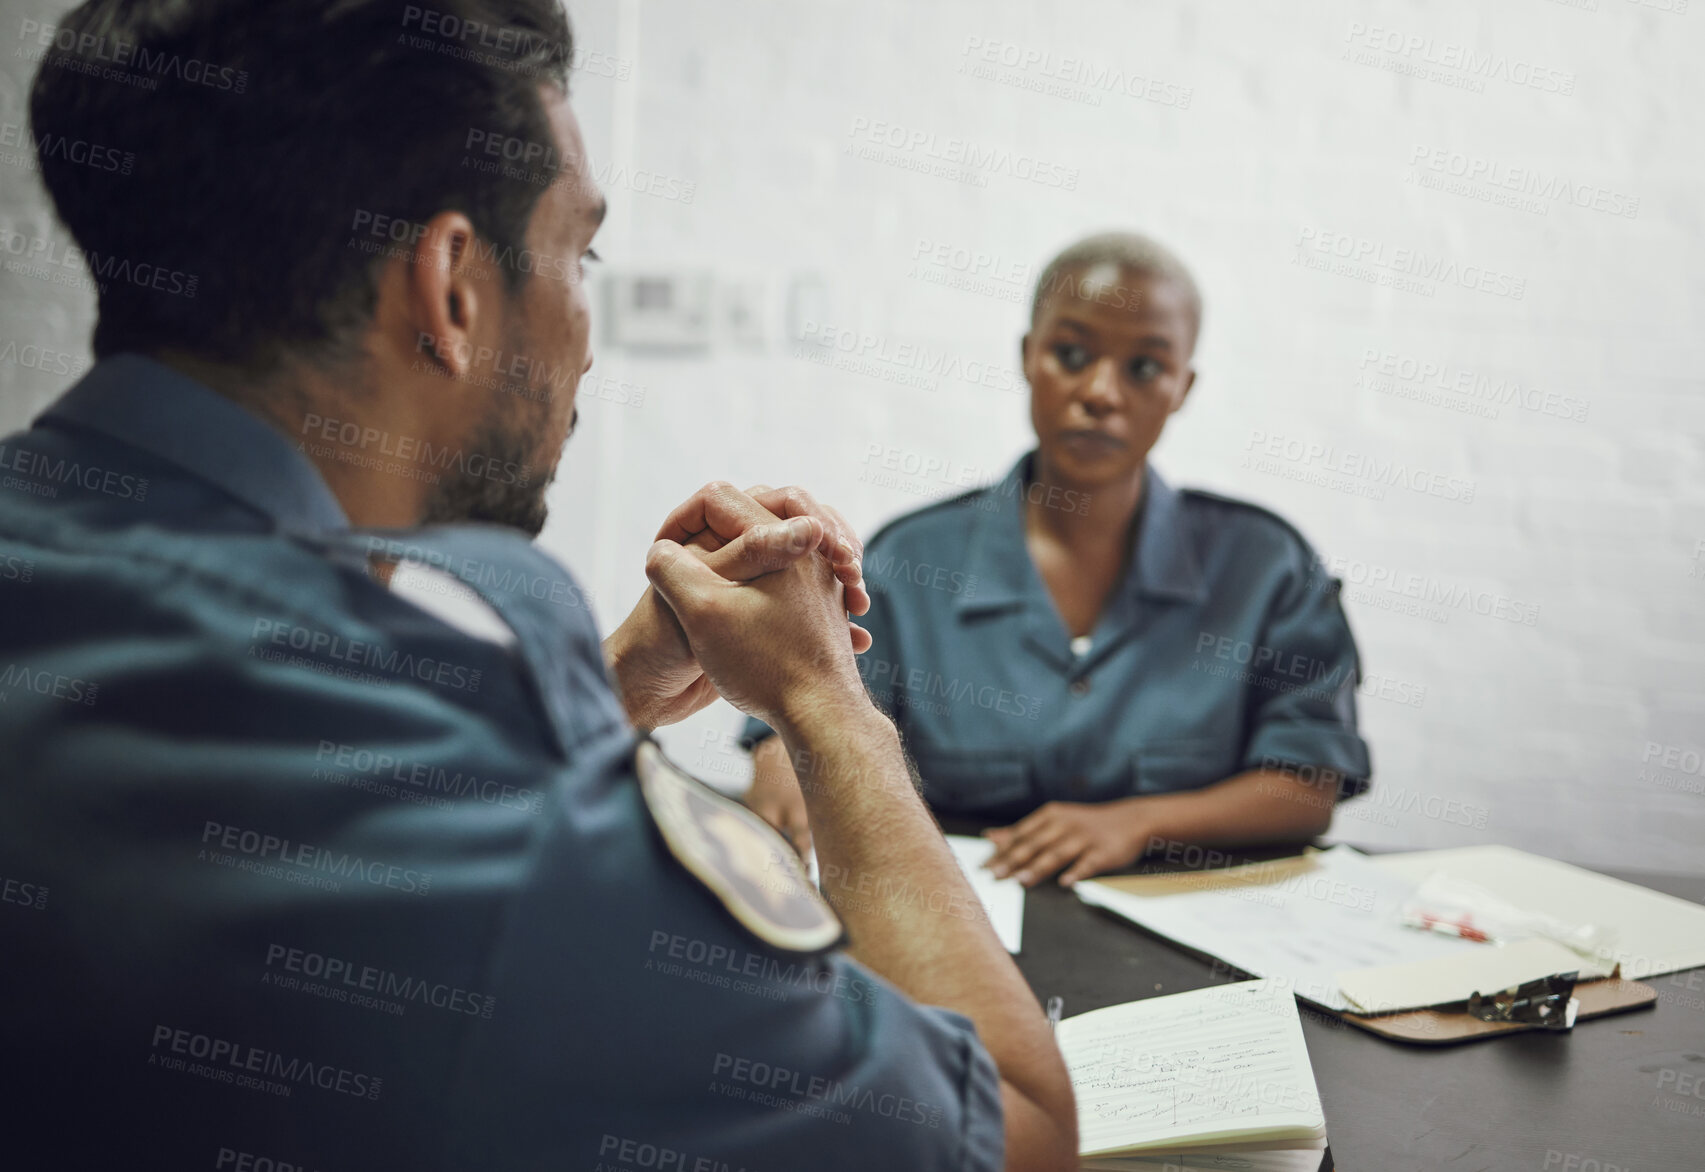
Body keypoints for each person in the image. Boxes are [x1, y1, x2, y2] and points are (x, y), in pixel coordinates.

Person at [0, 3, 1077, 1170]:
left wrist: (609, 685)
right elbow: (1018, 1131)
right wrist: (825, 699)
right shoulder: (512, 827)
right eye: (583, 258)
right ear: (452, 288)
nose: (588, 340)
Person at [744, 233, 1372, 888]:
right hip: (956, 927)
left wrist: (1138, 822)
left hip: (1183, 929)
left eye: (1144, 368)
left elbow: (1307, 789)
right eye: (1070, 354)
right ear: (1027, 356)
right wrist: (780, 758)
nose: (1100, 392)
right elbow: (819, 713)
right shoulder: (911, 562)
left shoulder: (1266, 568)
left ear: (1182, 387)